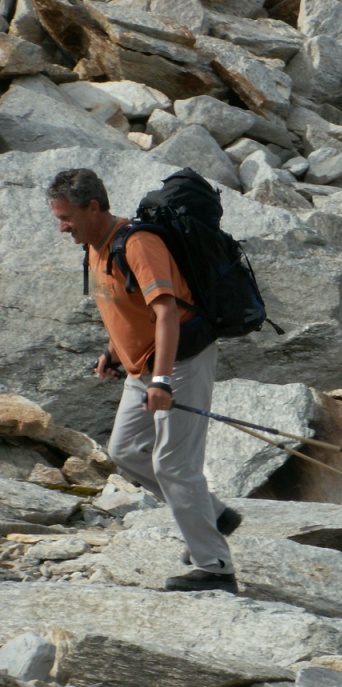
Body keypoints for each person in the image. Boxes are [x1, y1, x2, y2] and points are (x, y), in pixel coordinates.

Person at [47, 168, 241, 593]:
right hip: (143, 366)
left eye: (66, 218)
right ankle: (213, 515)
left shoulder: (138, 244)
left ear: (93, 207)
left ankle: (215, 567)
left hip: (180, 361)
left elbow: (166, 312)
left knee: (173, 464)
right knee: (126, 450)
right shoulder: (95, 245)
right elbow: (121, 307)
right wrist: (113, 352)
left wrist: (163, 380)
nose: (62, 228)